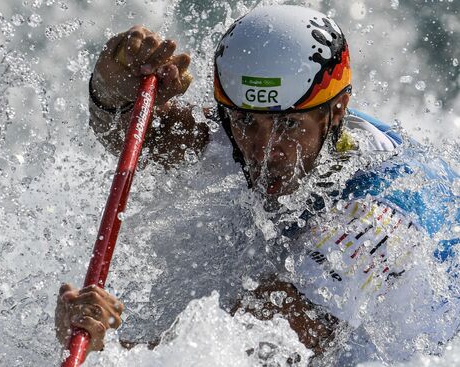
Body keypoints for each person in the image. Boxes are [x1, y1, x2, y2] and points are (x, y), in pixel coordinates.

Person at [55, 5, 459, 364]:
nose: (265, 152)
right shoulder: (252, 124)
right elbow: (130, 133)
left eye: (287, 126)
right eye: (248, 122)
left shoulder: (384, 212)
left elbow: (251, 348)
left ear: (336, 112)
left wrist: (107, 353)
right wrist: (113, 88)